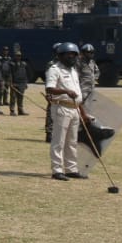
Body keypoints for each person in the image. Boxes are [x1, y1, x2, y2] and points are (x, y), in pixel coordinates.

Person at [45, 42, 83, 180]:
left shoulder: (73, 71)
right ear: (61, 56)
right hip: (62, 107)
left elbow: (78, 92)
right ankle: (57, 170)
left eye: (74, 54)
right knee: (59, 141)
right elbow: (49, 89)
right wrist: (66, 91)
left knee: (72, 141)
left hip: (74, 108)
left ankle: (71, 169)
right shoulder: (54, 69)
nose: (72, 57)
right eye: (69, 54)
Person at [7, 50, 31, 116]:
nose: (18, 57)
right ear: (15, 56)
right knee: (13, 97)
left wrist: (26, 83)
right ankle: (12, 110)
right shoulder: (12, 63)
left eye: (19, 56)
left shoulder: (23, 64)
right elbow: (10, 74)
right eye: (17, 55)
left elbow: (25, 74)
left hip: (22, 83)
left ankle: (20, 110)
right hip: (14, 83)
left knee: (20, 97)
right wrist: (11, 83)